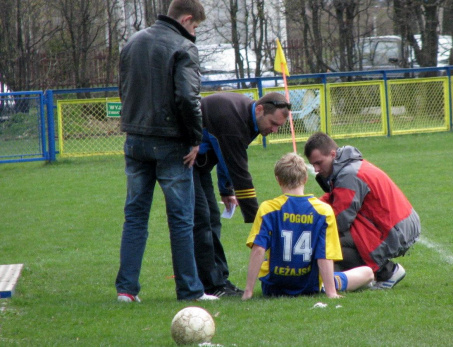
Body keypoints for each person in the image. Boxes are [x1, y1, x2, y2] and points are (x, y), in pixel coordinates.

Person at [115, 0, 216, 302]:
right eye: (196, 27)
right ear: (187, 19)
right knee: (181, 220)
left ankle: (126, 289)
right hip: (171, 144)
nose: (195, 32)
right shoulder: (184, 47)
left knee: (135, 216)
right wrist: (195, 139)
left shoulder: (132, 42)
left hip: (135, 139)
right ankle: (189, 290)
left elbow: (124, 88)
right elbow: (188, 98)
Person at [193, 92, 290, 297]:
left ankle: (219, 281)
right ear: (259, 109)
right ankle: (209, 285)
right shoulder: (234, 120)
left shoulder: (250, 119)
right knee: (202, 221)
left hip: (199, 167)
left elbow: (224, 153)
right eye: (273, 123)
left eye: (278, 127)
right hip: (183, 161)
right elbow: (240, 173)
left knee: (212, 220)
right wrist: (260, 222)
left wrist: (226, 190)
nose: (273, 130)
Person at [241, 153, 374, 300]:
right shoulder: (323, 211)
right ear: (305, 179)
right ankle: (331, 286)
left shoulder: (268, 208)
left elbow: (258, 249)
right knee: (368, 272)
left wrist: (248, 291)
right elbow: (324, 254)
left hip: (273, 286)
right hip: (311, 285)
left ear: (278, 180)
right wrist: (331, 292)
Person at [304, 132, 421, 289]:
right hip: (401, 222)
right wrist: (307, 206)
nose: (316, 169)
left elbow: (340, 219)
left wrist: (307, 227)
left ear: (332, 154)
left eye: (319, 163)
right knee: (334, 237)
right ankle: (360, 274)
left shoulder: (348, 174)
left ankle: (386, 272)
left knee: (329, 241)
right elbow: (334, 196)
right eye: (313, 165)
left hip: (397, 228)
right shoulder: (348, 165)